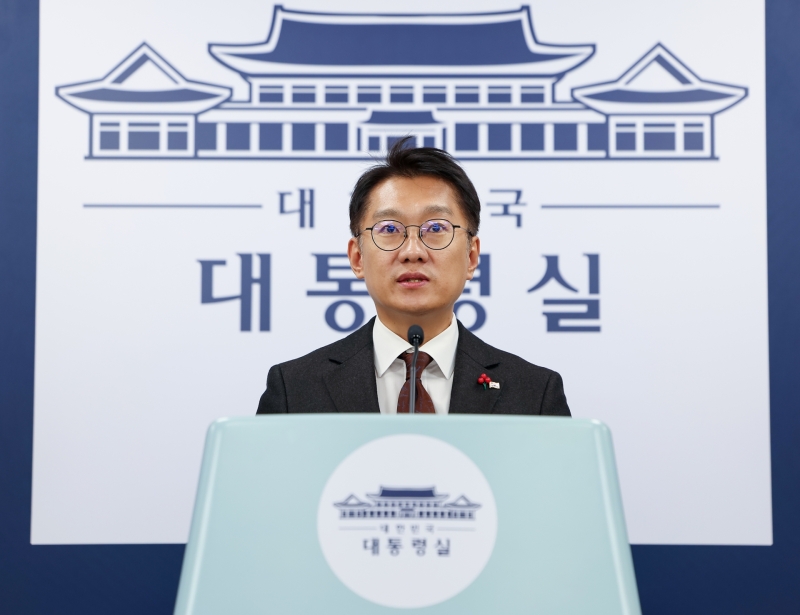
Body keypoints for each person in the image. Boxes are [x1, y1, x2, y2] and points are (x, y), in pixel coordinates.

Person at [257, 138, 570, 416]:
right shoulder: (294, 390)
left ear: (471, 257)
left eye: (435, 228)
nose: (412, 251)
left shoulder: (535, 394)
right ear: (357, 258)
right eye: (389, 229)